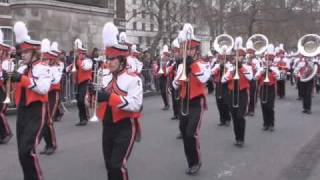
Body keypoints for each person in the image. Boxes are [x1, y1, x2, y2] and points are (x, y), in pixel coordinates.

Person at [90, 22, 143, 180]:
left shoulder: (133, 79)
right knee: (108, 165)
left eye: (113, 59)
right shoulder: (104, 75)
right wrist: (92, 95)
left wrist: (110, 97)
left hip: (125, 126)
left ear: (122, 60)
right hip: (107, 125)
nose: (109, 62)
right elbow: (96, 103)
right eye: (108, 58)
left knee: (117, 165)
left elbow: (136, 105)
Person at [12, 21, 52, 180]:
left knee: (26, 150)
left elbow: (43, 88)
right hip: (21, 112)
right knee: (22, 153)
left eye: (26, 52)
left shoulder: (44, 68)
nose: (22, 55)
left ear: (35, 52)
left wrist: (22, 79)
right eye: (21, 52)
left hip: (36, 111)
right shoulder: (22, 68)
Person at [173, 24, 211, 175]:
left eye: (189, 49)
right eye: (184, 49)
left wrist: (192, 66)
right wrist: (182, 73)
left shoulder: (203, 64)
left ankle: (196, 162)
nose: (186, 51)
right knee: (184, 131)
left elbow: (203, 79)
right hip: (184, 102)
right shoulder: (181, 66)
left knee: (191, 133)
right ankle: (190, 161)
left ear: (196, 50)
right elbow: (175, 85)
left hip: (196, 102)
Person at [222, 37, 253, 147]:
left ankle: (241, 138)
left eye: (240, 56)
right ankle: (237, 137)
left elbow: (250, 78)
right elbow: (223, 80)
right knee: (234, 116)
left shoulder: (247, 67)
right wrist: (231, 73)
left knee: (240, 116)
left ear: (243, 57)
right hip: (232, 94)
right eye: (236, 55)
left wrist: (240, 68)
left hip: (242, 94)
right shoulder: (230, 68)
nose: (237, 57)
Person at [67, 39, 93, 126]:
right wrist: (72, 65)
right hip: (78, 83)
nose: (81, 55)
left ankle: (85, 117)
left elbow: (85, 67)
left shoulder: (88, 61)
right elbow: (67, 69)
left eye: (82, 53)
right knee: (79, 101)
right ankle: (82, 119)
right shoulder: (76, 61)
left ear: (85, 54)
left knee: (82, 100)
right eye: (79, 53)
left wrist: (77, 60)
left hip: (86, 82)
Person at [255, 44, 280, 131]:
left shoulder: (275, 68)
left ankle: (271, 124)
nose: (268, 61)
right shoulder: (261, 68)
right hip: (263, 88)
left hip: (271, 88)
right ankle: (265, 123)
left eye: (269, 60)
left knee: (270, 107)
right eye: (266, 59)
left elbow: (278, 77)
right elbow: (256, 77)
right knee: (264, 106)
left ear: (272, 61)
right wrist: (262, 72)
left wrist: (271, 71)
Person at [0, 30, 13, 144]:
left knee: (0, 113)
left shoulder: (6, 63)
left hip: (2, 92)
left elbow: (8, 80)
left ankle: (7, 133)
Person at [211, 53, 232, 126]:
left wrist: (224, 68)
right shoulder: (217, 65)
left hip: (225, 86)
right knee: (219, 103)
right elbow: (212, 72)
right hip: (218, 85)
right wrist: (219, 68)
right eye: (220, 59)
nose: (221, 60)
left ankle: (228, 119)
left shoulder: (229, 65)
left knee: (226, 103)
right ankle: (222, 120)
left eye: (222, 59)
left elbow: (230, 74)